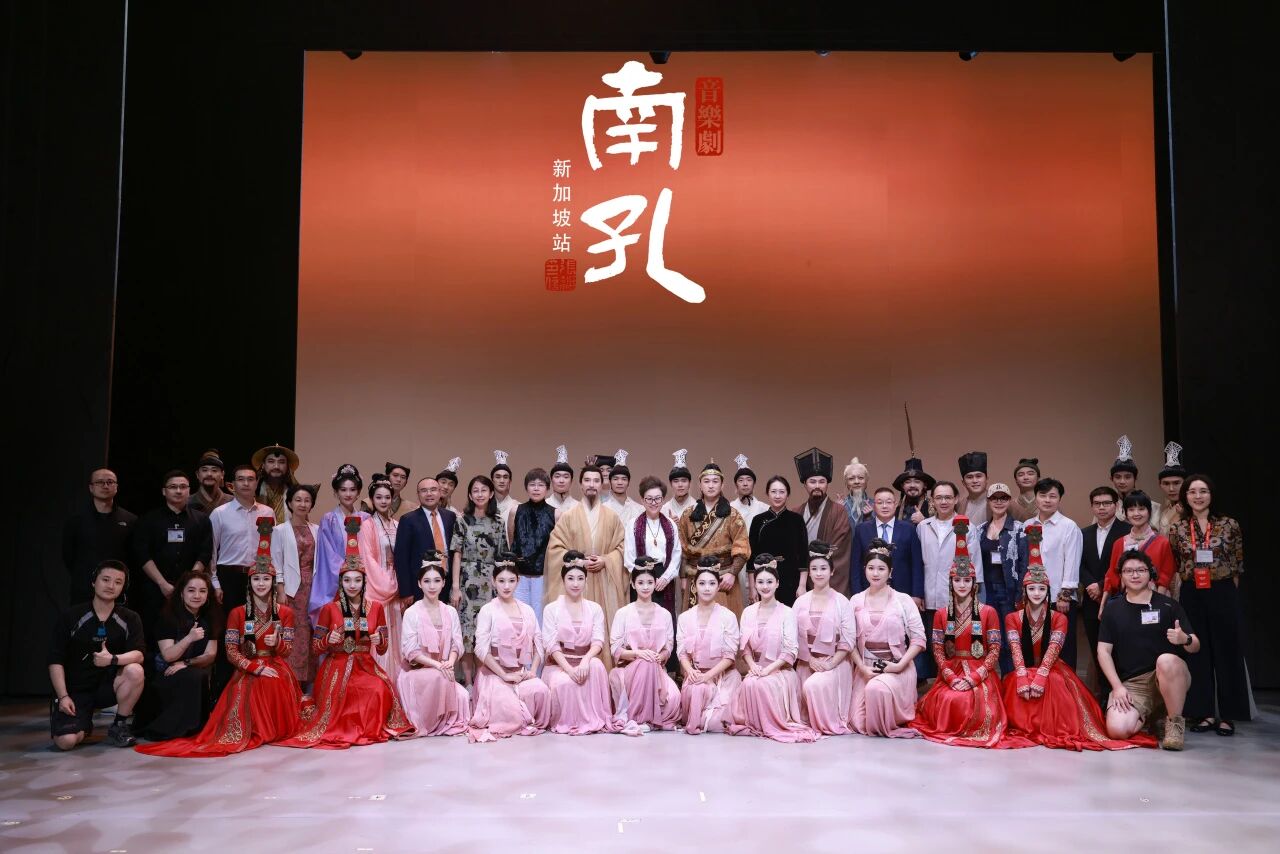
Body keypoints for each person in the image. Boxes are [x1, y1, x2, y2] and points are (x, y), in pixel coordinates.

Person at [137, 521, 303, 756]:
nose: (261, 584)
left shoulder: (285, 613)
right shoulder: (237, 613)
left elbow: (287, 651)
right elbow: (231, 652)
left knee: (274, 681)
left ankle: (275, 729)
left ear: (273, 582)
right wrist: (254, 668)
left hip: (276, 665)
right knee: (259, 684)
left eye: (266, 579)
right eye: (256, 579)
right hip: (247, 668)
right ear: (250, 582)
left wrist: (277, 644)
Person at [1001, 534, 1152, 751]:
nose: (1036, 593)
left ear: (1048, 591)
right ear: (1024, 591)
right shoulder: (1012, 618)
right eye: (1031, 588)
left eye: (1041, 589)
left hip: (1050, 669)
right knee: (1014, 681)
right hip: (1024, 669)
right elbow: (1015, 651)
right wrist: (1023, 676)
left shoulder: (1058, 618)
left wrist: (1040, 677)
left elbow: (1053, 651)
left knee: (1052, 682)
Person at [279, 525, 413, 748]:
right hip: (336, 667)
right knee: (346, 693)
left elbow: (383, 648)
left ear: (364, 582)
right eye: (347, 580)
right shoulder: (329, 609)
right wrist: (327, 641)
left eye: (357, 580)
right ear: (341, 582)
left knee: (378, 689)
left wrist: (379, 641)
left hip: (366, 666)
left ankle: (367, 730)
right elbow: (316, 648)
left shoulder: (375, 608)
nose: (352, 585)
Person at [911, 517, 1010, 747]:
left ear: (975, 583)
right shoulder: (941, 614)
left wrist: (974, 677)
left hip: (981, 672)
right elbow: (937, 650)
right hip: (951, 671)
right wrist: (951, 677)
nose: (962, 585)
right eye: (957, 580)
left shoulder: (988, 612)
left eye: (967, 580)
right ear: (951, 583)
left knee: (974, 702)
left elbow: (995, 650)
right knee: (949, 698)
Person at [1167, 475, 1250, 736]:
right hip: (1192, 592)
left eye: (1203, 491)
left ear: (1211, 495)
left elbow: (1237, 563)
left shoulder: (1229, 524)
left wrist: (1228, 595)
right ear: (1185, 496)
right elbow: (1176, 564)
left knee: (1228, 651)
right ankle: (1202, 712)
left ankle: (1228, 715)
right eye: (1192, 492)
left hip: (1223, 591)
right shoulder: (1178, 528)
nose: (1198, 496)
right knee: (1196, 651)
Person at [1097, 550, 1199, 750]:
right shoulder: (1113, 609)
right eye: (1128, 571)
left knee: (1166, 660)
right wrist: (1117, 687)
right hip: (1133, 683)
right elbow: (1103, 652)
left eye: (1140, 570)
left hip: (1168, 675)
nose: (1135, 575)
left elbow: (1195, 645)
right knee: (1117, 730)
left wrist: (1184, 639)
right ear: (1121, 576)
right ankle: (1154, 718)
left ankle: (1174, 724)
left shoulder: (1168, 605)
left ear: (1150, 573)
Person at [49, 561, 145, 749]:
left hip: (109, 687)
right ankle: (83, 725)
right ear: (94, 582)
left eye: (118, 582)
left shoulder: (130, 618)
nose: (111, 586)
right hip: (76, 690)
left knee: (135, 670)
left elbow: (139, 654)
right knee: (66, 742)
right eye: (106, 580)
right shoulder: (71, 616)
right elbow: (55, 659)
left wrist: (112, 659)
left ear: (123, 587)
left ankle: (119, 725)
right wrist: (63, 696)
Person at [542, 552, 640, 736]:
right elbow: (551, 645)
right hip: (559, 665)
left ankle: (595, 718)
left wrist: (585, 661)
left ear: (586, 581)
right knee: (565, 684)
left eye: (580, 578)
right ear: (563, 580)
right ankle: (569, 722)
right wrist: (569, 670)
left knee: (597, 666)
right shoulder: (551, 609)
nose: (575, 583)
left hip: (584, 661)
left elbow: (597, 640)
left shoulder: (594, 608)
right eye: (570, 578)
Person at [544, 465, 627, 666]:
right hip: (577, 581)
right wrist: (579, 562)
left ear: (602, 484)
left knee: (602, 627)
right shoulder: (569, 516)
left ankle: (604, 670)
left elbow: (622, 547)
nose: (592, 485)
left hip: (604, 581)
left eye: (596, 480)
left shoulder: (612, 517)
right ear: (580, 485)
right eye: (587, 480)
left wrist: (606, 560)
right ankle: (571, 665)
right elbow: (555, 549)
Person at [726, 561, 817, 743]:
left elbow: (790, 651)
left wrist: (768, 670)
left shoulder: (787, 613)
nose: (765, 586)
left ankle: (771, 725)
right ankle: (756, 724)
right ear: (755, 585)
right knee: (749, 683)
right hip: (756, 669)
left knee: (760, 684)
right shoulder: (748, 612)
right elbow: (745, 647)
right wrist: (753, 666)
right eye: (760, 582)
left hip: (780, 670)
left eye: (769, 582)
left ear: (777, 583)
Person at [468, 561, 552, 743]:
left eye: (511, 581)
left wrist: (532, 671)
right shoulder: (488, 610)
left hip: (520, 673)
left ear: (518, 581)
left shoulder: (527, 610)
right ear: (493, 581)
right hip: (493, 674)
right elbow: (481, 649)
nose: (506, 586)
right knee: (509, 709)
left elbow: (538, 642)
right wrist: (504, 675)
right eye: (501, 581)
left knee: (541, 691)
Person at [849, 541, 927, 738]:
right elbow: (848, 640)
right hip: (865, 668)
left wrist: (899, 665)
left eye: (881, 569)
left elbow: (919, 639)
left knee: (877, 690)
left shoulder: (903, 600)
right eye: (871, 568)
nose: (875, 573)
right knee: (858, 722)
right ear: (864, 570)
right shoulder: (855, 600)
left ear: (890, 572)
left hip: (896, 666)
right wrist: (861, 667)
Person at [132, 470, 212, 644]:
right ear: (164, 491)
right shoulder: (149, 520)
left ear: (189, 490)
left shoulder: (201, 520)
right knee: (152, 633)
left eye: (183, 487)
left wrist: (189, 583)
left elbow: (205, 552)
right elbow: (142, 554)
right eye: (173, 487)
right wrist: (162, 583)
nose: (178, 491)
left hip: (189, 590)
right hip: (156, 588)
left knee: (189, 633)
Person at [398, 553, 470, 737]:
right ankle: (429, 723)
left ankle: (444, 723)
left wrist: (449, 662)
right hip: (416, 672)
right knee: (440, 678)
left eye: (437, 581)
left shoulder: (450, 611)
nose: (432, 586)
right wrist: (438, 665)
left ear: (444, 583)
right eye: (427, 581)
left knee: (463, 697)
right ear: (419, 583)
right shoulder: (412, 613)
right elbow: (411, 651)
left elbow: (456, 644)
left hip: (443, 670)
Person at [142, 570, 220, 741]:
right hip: (165, 672)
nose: (197, 595)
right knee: (194, 676)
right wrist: (189, 639)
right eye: (191, 590)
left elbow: (211, 654)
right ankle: (175, 729)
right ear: (181, 593)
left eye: (202, 591)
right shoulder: (168, 617)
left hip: (189, 669)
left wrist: (186, 663)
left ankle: (195, 728)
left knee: (197, 674)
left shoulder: (210, 617)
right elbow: (168, 656)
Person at [450, 474, 510, 684]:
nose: (479, 494)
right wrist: (455, 587)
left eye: (484, 490)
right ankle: (468, 683)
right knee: (467, 634)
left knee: (486, 633)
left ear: (491, 493)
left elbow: (502, 557)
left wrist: (501, 586)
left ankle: (482, 682)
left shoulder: (499, 522)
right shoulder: (462, 521)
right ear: (469, 495)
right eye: (475, 490)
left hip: (490, 583)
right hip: (467, 582)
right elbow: (457, 554)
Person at [792, 543, 856, 736]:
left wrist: (830, 664)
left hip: (835, 663)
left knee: (814, 686)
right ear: (809, 572)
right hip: (806, 663)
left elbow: (848, 640)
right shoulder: (800, 602)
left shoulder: (842, 602)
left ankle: (827, 721)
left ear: (832, 571)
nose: (818, 573)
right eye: (814, 569)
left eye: (823, 568)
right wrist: (809, 659)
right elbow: (793, 637)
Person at [610, 557, 681, 731]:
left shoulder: (665, 614)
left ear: (655, 583)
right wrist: (638, 654)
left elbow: (668, 647)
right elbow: (615, 648)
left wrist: (659, 657)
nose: (645, 587)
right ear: (633, 584)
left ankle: (647, 717)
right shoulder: (623, 613)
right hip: (629, 667)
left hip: (657, 667)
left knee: (674, 698)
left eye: (650, 582)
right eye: (640, 582)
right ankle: (641, 718)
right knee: (645, 663)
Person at [916, 481, 977, 680]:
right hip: (929, 597)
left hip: (957, 597)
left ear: (956, 499)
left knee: (955, 644)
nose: (943, 502)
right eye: (939, 497)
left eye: (948, 497)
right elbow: (918, 563)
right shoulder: (923, 527)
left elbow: (974, 565)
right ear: (932, 500)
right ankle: (937, 686)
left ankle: (957, 681)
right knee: (933, 643)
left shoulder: (967, 527)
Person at [677, 561, 742, 735]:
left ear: (718, 586)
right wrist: (691, 671)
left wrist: (708, 676)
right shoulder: (685, 617)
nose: (707, 588)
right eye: (702, 583)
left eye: (712, 583)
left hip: (724, 677)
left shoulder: (728, 616)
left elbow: (730, 656)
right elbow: (682, 653)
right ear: (694, 586)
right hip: (696, 675)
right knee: (696, 690)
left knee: (714, 724)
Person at [678, 461, 751, 616]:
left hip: (724, 578)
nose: (711, 486)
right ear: (700, 485)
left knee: (725, 622)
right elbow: (682, 548)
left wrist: (732, 574)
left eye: (715, 481)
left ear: (722, 485)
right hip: (695, 578)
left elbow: (742, 546)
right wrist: (683, 577)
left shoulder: (733, 514)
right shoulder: (688, 514)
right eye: (706, 481)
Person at [1026, 477, 1083, 668]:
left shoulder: (1068, 526)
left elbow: (1072, 562)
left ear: (1059, 499)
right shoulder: (1027, 526)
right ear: (1036, 498)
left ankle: (1066, 685)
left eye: (1052, 496)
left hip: (1059, 599)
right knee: (1037, 647)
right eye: (1043, 495)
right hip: (1033, 597)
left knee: (1063, 649)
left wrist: (1065, 595)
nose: (1047, 500)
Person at [1079, 486, 1130, 693]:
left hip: (1118, 598)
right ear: (1092, 506)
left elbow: (1124, 564)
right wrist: (1091, 584)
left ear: (1116, 505)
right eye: (1097, 504)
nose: (1102, 507)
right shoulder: (1084, 533)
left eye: (1107, 503)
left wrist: (1101, 585)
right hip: (1091, 600)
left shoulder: (1127, 531)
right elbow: (1078, 563)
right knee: (1096, 649)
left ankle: (1124, 693)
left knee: (1120, 649)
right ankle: (1104, 695)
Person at [62, 467, 136, 605]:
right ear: (91, 488)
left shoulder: (130, 520)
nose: (105, 486)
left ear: (116, 487)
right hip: (84, 589)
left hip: (117, 590)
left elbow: (134, 555)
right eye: (100, 482)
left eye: (110, 482)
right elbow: (68, 555)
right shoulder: (76, 520)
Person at [271, 483, 320, 689]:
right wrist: (280, 589)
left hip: (313, 589)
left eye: (307, 500)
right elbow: (276, 561)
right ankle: (290, 682)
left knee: (310, 633)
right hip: (291, 590)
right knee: (293, 633)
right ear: (289, 503)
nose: (302, 504)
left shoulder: (316, 529)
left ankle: (309, 685)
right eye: (298, 500)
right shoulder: (279, 530)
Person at [973, 482, 1024, 675]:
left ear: (1009, 501)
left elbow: (1023, 564)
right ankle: (989, 679)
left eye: (1003, 498)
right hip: (985, 591)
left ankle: (1010, 679)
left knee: (1009, 638)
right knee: (988, 636)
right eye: (994, 498)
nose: (999, 502)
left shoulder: (1019, 529)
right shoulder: (979, 530)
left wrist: (1020, 595)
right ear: (988, 501)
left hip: (1008, 591)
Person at [307, 464, 369, 621]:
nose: (348, 494)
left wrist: (361, 573)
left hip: (364, 578)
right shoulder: (328, 519)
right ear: (336, 492)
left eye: (352, 489)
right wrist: (348, 574)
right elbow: (327, 555)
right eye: (343, 490)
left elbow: (370, 551)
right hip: (336, 579)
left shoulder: (366, 519)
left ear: (358, 492)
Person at [359, 478, 406, 687]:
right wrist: (388, 583)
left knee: (397, 637)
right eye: (378, 497)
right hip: (379, 587)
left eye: (387, 497)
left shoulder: (397, 524)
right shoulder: (367, 525)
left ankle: (397, 684)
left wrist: (400, 581)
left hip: (396, 587)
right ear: (372, 499)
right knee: (380, 635)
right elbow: (367, 559)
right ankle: (379, 683)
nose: (383, 501)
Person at [208, 463, 274, 612]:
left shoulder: (267, 512)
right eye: (241, 479)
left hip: (259, 575)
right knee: (231, 622)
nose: (246, 483)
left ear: (256, 483)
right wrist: (215, 582)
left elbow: (271, 547)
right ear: (232, 485)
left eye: (250, 479)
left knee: (257, 622)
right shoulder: (220, 513)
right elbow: (211, 551)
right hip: (229, 577)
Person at [1100, 491, 1176, 607]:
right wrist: (1103, 606)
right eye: (1131, 510)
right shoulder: (1119, 543)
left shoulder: (1162, 542)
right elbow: (1111, 575)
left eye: (1141, 509)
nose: (1136, 513)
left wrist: (1157, 602)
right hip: (1126, 601)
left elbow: (1166, 575)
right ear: (1125, 513)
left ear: (1149, 512)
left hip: (1154, 600)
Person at [792, 448, 852, 594]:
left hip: (825, 576)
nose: (817, 486)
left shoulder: (838, 511)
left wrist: (816, 568)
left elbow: (839, 549)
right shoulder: (796, 512)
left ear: (827, 484)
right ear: (805, 484)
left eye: (822, 481)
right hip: (801, 578)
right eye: (812, 482)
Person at [850, 487, 924, 603]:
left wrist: (917, 594)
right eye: (880, 502)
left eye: (889, 502)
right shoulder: (862, 530)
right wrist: (857, 594)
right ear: (874, 505)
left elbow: (916, 563)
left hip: (903, 592)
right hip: (869, 592)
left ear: (895, 504)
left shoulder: (908, 529)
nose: (884, 506)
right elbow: (855, 565)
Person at [624, 476, 682, 617]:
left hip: (664, 575)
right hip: (640, 575)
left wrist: (666, 578)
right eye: (649, 499)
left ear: (663, 500)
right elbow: (629, 557)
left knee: (664, 617)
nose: (653, 503)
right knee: (641, 618)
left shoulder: (671, 524)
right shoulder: (633, 524)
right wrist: (642, 579)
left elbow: (676, 554)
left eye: (657, 498)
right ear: (642, 500)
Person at [394, 477, 457, 606]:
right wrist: (406, 591)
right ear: (418, 494)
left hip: (447, 583)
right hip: (420, 586)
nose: (429, 494)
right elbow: (401, 558)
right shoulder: (408, 520)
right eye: (424, 490)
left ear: (439, 492)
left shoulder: (450, 516)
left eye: (433, 490)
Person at [748, 476, 809, 606]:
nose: (777, 496)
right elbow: (751, 556)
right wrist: (753, 588)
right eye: (773, 491)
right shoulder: (758, 520)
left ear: (787, 494)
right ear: (767, 493)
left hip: (791, 579)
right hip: (764, 580)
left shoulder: (797, 520)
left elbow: (803, 554)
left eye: (782, 492)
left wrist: (802, 585)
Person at [512, 468, 556, 622]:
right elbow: (512, 539)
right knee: (519, 616)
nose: (536, 489)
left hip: (543, 575)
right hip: (519, 575)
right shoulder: (515, 511)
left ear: (548, 488)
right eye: (532, 484)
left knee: (540, 617)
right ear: (526, 487)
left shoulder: (556, 514)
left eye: (541, 485)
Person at [252, 443, 300, 524]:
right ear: (263, 465)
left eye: (281, 462)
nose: (276, 466)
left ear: (287, 466)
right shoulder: (253, 490)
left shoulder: (294, 493)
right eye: (271, 461)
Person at [602, 450, 644, 528]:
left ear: (628, 482)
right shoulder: (603, 508)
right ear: (610, 481)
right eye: (615, 479)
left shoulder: (639, 509)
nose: (620, 482)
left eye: (624, 479)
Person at [729, 454, 771, 528]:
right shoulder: (730, 508)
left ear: (754, 483)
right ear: (736, 485)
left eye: (749, 480)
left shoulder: (765, 509)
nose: (745, 484)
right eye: (741, 480)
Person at [1156, 443, 1187, 536]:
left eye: (1176, 483)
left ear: (1185, 483)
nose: (1171, 488)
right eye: (1166, 483)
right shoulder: (1164, 510)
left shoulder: (1192, 509)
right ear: (1160, 485)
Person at [189, 449, 232, 515]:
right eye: (204, 470)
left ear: (222, 474)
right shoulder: (186, 502)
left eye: (214, 470)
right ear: (197, 474)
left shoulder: (232, 501)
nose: (209, 474)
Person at [892, 457, 934, 524]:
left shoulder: (934, 506)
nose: (912, 485)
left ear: (925, 485)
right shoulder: (895, 507)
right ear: (902, 486)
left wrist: (924, 521)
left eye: (917, 482)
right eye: (908, 482)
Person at [955, 451, 990, 526]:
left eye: (978, 476)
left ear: (986, 479)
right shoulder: (959, 505)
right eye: (969, 477)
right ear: (963, 482)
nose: (975, 481)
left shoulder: (1000, 502)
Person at [491, 450, 520, 538]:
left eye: (505, 477)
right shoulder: (483, 506)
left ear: (510, 481)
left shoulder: (518, 507)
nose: (502, 481)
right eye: (498, 477)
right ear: (492, 480)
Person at [662, 448, 696, 524]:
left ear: (690, 483)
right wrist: (669, 525)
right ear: (670, 484)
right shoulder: (664, 509)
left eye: (684, 481)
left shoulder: (697, 507)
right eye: (676, 481)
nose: (680, 485)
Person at [839, 457, 873, 528]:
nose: (856, 482)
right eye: (851, 478)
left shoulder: (875, 505)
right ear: (846, 483)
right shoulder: (840, 506)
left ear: (866, 481)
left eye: (861, 478)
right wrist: (836, 512)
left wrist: (869, 517)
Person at [547, 444, 578, 515]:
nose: (561, 481)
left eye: (566, 477)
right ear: (551, 480)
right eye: (557, 476)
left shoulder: (578, 506)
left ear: (571, 481)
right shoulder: (543, 505)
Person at [1010, 458, 1041, 522]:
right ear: (1016, 480)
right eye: (1021, 475)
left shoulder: (1048, 504)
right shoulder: (1010, 505)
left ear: (1038, 478)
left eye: (1030, 474)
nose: (1026, 477)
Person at [1110, 435, 1139, 503]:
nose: (1122, 481)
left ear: (1135, 478)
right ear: (1111, 479)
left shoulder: (1151, 506)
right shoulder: (1107, 505)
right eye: (1118, 477)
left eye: (1127, 477)